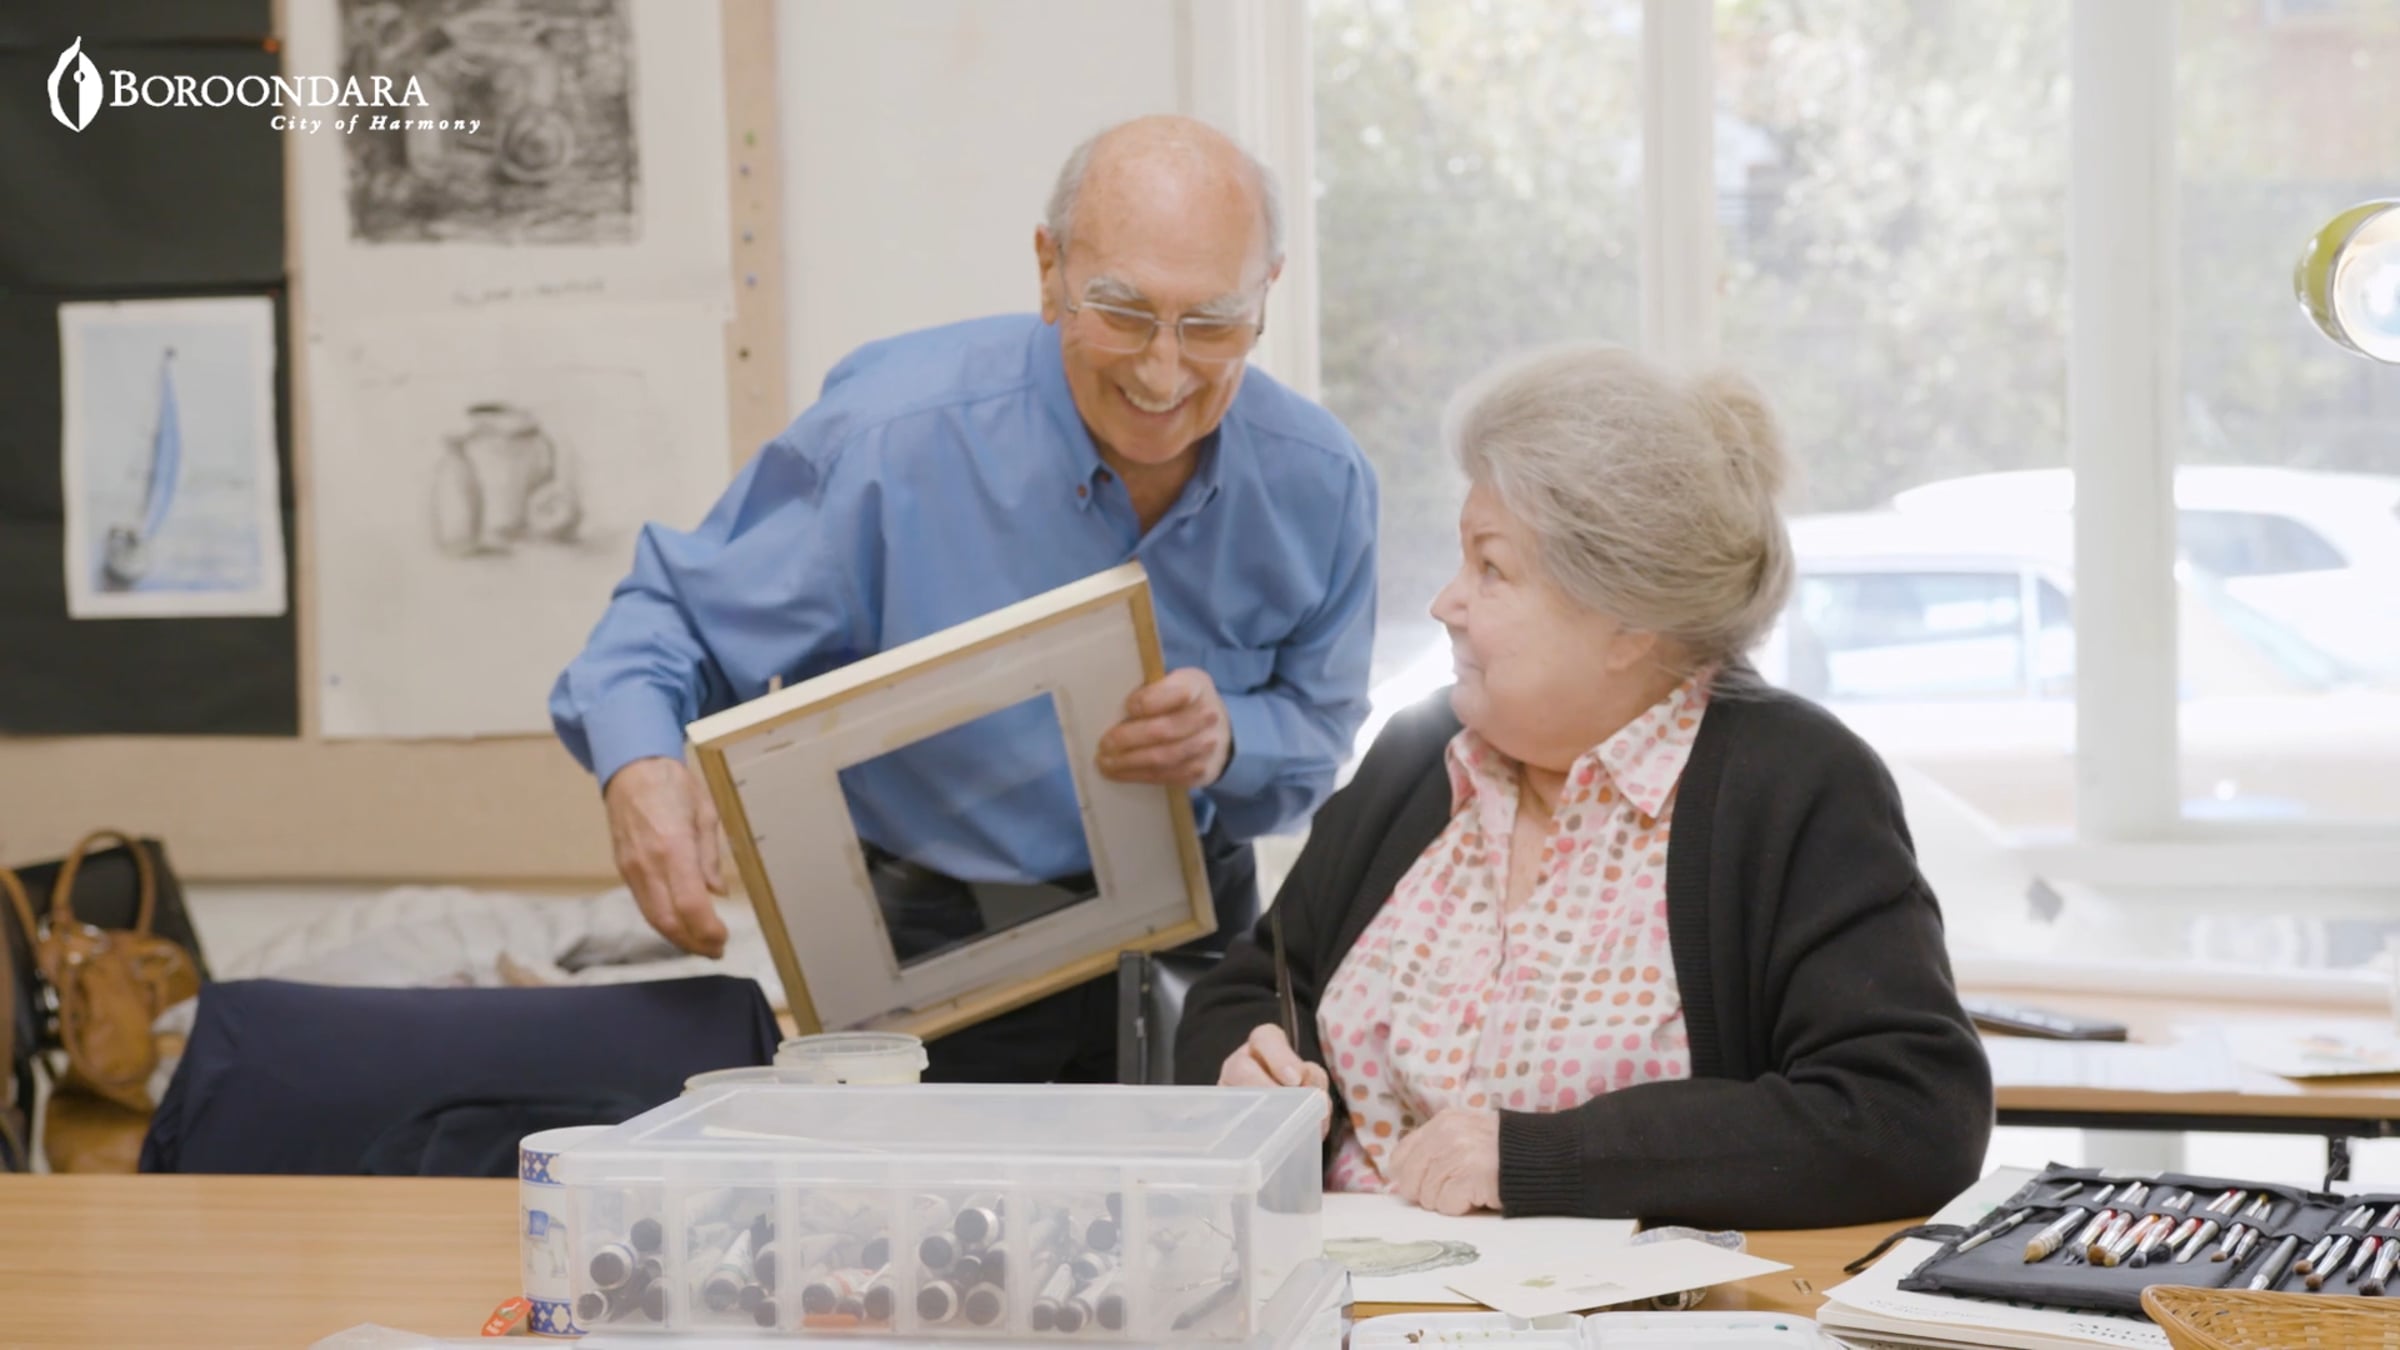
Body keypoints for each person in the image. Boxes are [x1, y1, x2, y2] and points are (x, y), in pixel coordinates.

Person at [551, 116, 1378, 1083]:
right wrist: (643, 771)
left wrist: (1230, 739)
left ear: (1268, 289)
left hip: (1194, 934)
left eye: (1212, 323)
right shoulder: (889, 440)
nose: (1164, 370)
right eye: (1122, 311)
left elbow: (1320, 732)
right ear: (1049, 270)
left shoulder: (1322, 482)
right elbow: (668, 623)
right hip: (925, 938)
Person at [1177, 344, 1992, 1228]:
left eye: (1491, 568)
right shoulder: (1419, 757)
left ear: (1625, 621)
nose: (1446, 602)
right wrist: (1250, 1068)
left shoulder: (1793, 784)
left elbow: (1908, 1114)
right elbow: (1251, 988)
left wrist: (1541, 1159)